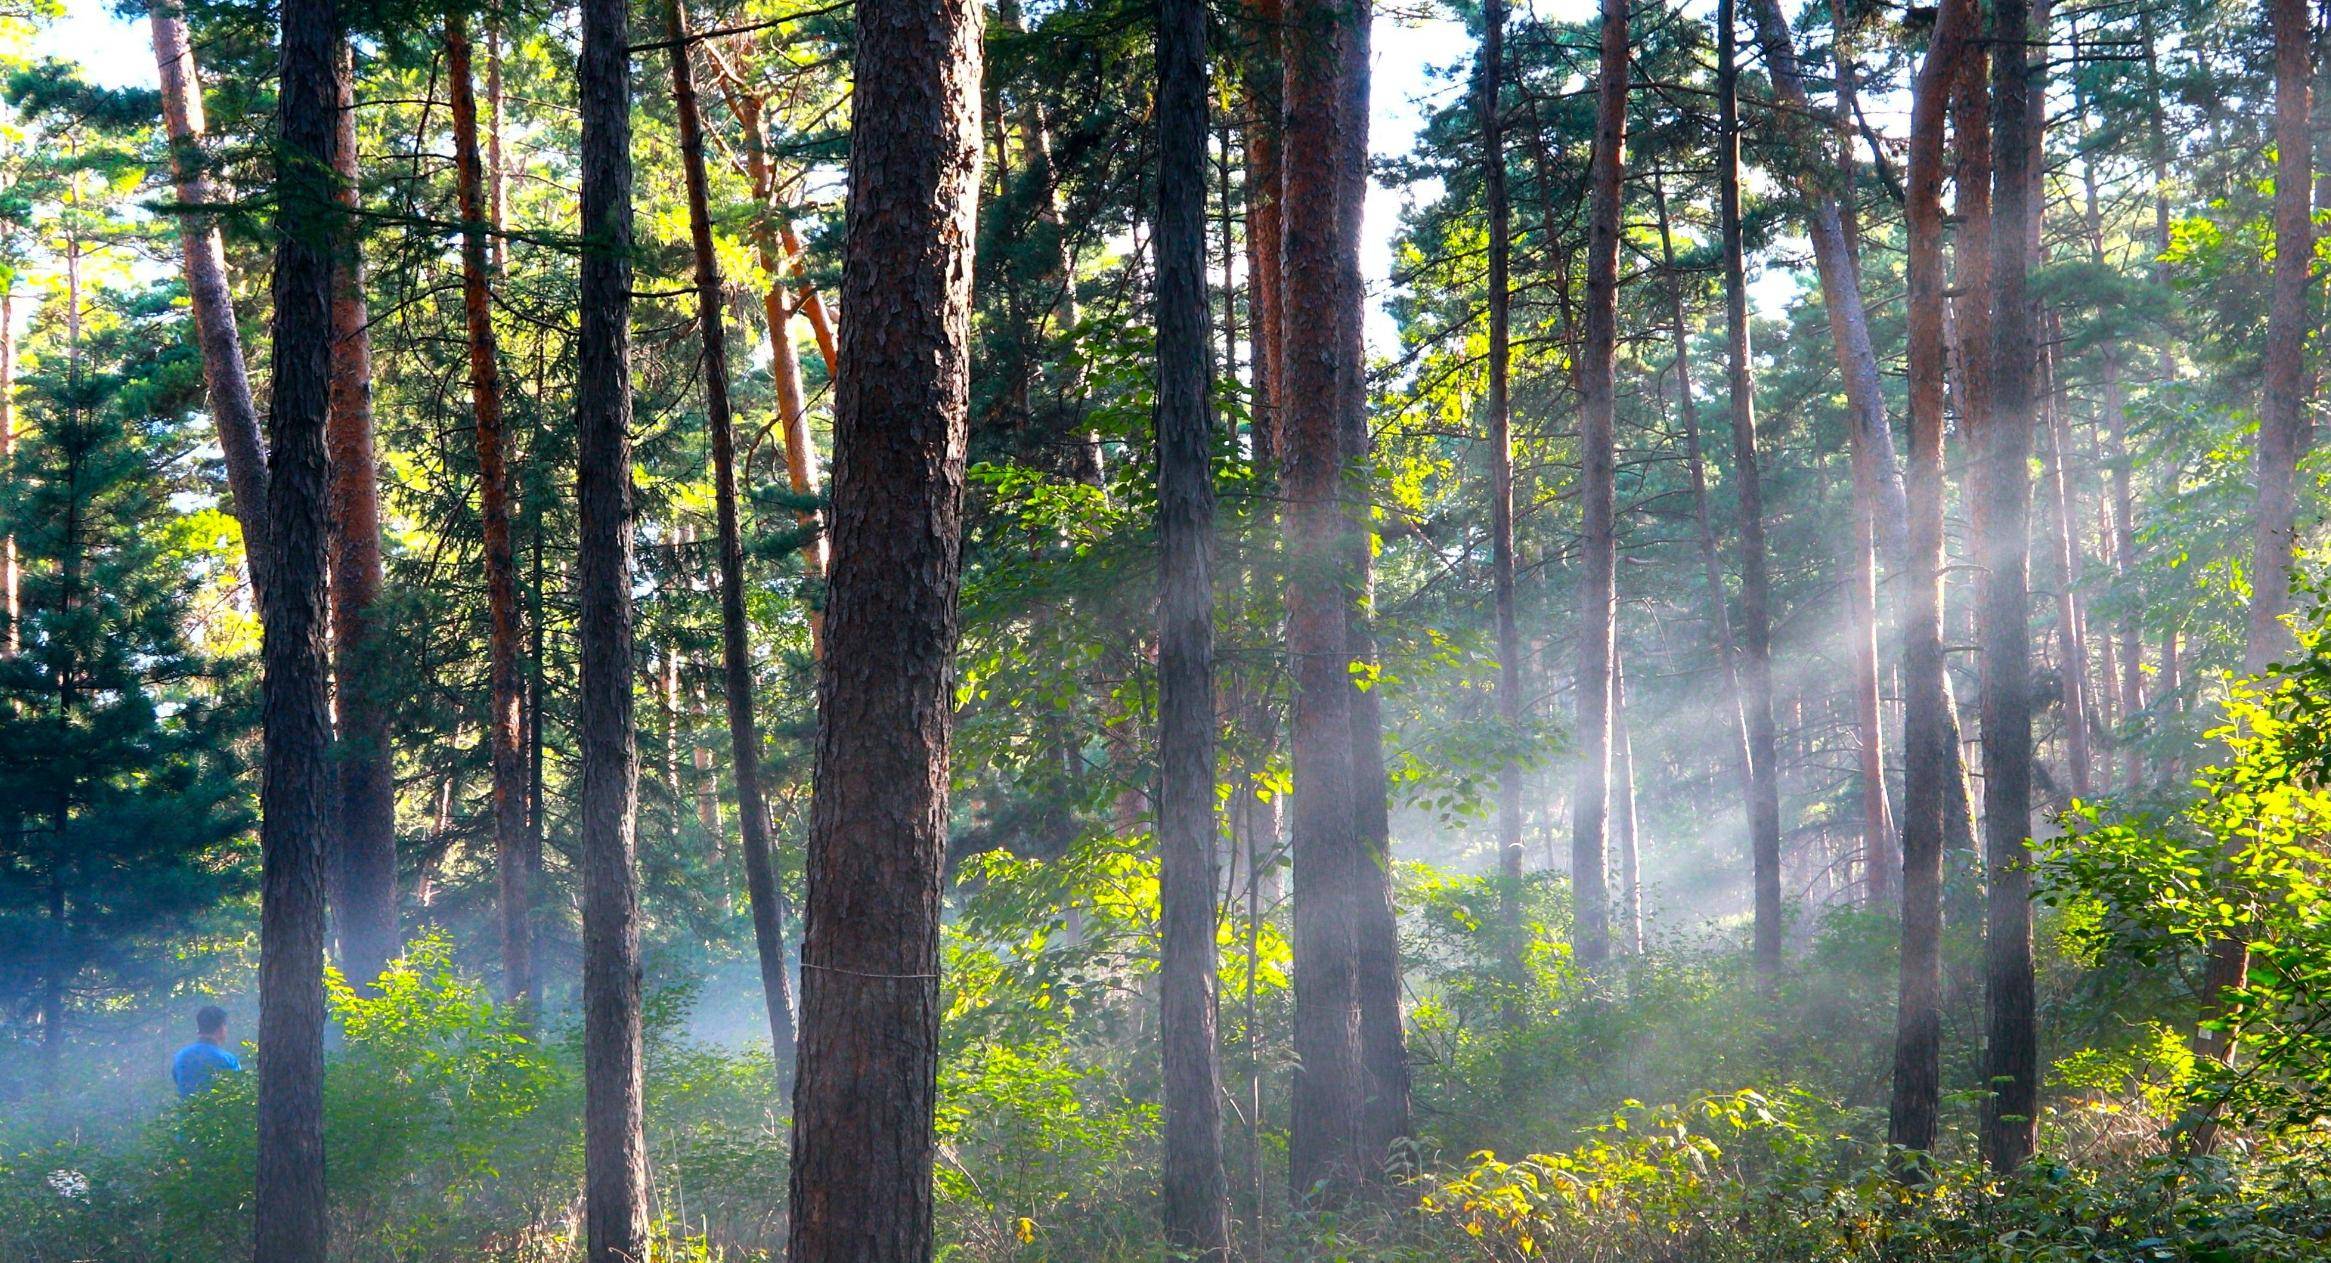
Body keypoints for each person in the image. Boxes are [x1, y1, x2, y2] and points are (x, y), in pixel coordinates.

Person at [171, 1005, 240, 1098]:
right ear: (221, 1028)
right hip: (219, 1111)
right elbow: (237, 1089)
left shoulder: (181, 1056)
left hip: (187, 1111)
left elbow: (177, 1081)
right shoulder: (227, 1059)